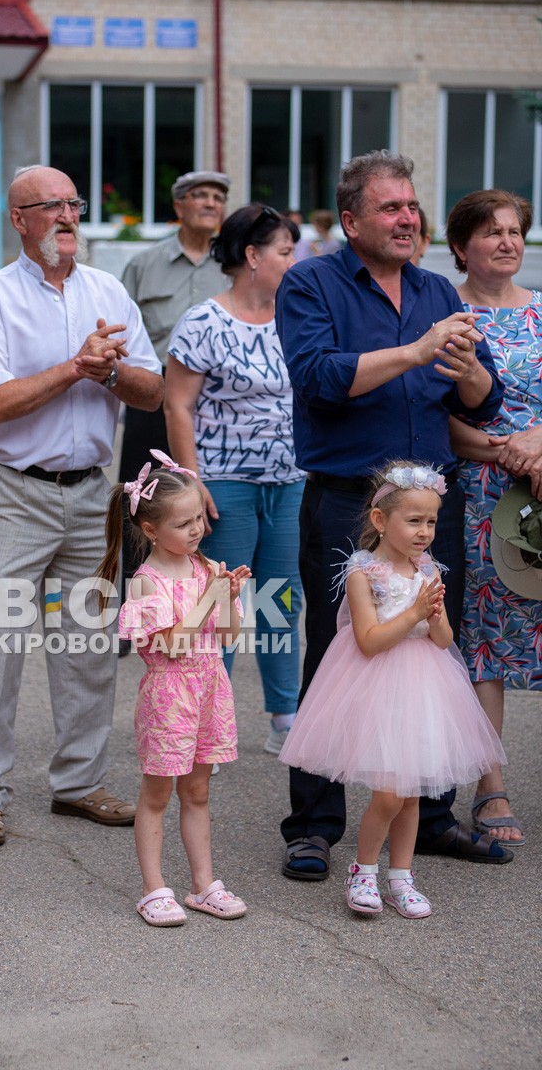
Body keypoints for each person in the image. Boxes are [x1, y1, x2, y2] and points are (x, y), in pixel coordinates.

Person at [275, 149, 510, 881]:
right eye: (391, 208)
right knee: (337, 651)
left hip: (432, 505)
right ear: (351, 220)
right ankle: (314, 826)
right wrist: (414, 351)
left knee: (433, 653)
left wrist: (470, 371)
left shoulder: (439, 290)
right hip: (350, 502)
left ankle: (430, 815)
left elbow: (481, 401)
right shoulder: (311, 283)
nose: (408, 219)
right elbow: (318, 378)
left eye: (412, 206)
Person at [0, 164, 162, 847]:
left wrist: (109, 370)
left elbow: (152, 393)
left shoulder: (107, 290)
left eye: (74, 204)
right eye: (53, 206)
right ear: (20, 220)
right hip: (15, 493)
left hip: (90, 496)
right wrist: (75, 368)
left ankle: (79, 783)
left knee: (88, 649)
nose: (69, 216)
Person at [280, 463, 506, 918]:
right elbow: (368, 641)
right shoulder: (364, 573)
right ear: (381, 521)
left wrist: (435, 613)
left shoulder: (429, 571)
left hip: (424, 688)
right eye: (414, 520)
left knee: (412, 792)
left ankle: (401, 877)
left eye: (431, 521)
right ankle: (363, 871)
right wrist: (414, 612)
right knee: (389, 792)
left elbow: (442, 641)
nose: (425, 532)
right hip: (378, 685)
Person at [165, 205, 304, 752]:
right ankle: (206, 724)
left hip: (289, 482)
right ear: (252, 256)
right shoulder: (204, 321)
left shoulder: (298, 316)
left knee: (280, 598)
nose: (295, 261)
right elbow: (177, 407)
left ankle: (284, 716)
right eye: (286, 251)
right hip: (223, 485)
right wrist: (191, 484)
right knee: (220, 604)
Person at [97, 455, 250, 926]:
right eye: (182, 523)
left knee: (199, 791)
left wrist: (228, 598)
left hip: (210, 690)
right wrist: (209, 599)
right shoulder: (146, 582)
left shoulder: (204, 568)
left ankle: (203, 884)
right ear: (149, 528)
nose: (196, 530)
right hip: (170, 698)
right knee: (157, 795)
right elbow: (174, 645)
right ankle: (153, 889)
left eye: (198, 518)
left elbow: (228, 638)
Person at [447, 188, 540, 847]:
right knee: (486, 635)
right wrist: (512, 452)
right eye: (491, 232)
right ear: (461, 247)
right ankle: (490, 784)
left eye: (515, 231)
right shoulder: (444, 313)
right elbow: (436, 414)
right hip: (480, 492)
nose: (506, 242)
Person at [116, 171, 231, 647]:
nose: (210, 203)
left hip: (213, 410)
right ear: (178, 206)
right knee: (138, 503)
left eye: (218, 197)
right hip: (154, 400)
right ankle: (137, 613)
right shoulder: (145, 265)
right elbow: (122, 335)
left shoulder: (231, 267)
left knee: (198, 506)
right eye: (200, 196)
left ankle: (197, 609)